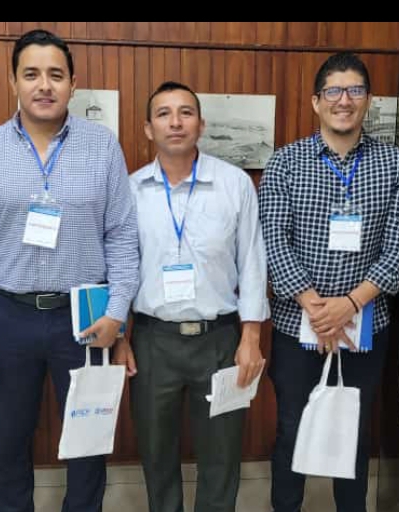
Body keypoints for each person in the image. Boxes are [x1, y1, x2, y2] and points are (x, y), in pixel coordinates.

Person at [0, 29, 139, 512]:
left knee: (88, 439)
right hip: (7, 317)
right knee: (10, 441)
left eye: (55, 75)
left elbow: (122, 235)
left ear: (73, 84)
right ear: (12, 81)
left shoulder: (102, 146)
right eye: (31, 74)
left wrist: (118, 313)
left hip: (86, 316)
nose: (44, 85)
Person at [259, 52, 399, 512]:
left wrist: (347, 305)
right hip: (297, 326)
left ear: (368, 100)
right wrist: (317, 308)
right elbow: (274, 241)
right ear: (316, 101)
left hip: (365, 326)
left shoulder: (396, 165)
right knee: (292, 429)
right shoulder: (285, 163)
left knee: (354, 431)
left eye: (354, 90)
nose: (344, 100)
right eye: (333, 90)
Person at [118, 80, 269, 512]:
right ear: (148, 128)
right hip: (152, 341)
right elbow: (120, 267)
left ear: (201, 124)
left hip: (220, 340)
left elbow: (252, 263)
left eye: (185, 112)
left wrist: (251, 337)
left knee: (222, 455)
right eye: (163, 113)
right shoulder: (130, 190)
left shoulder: (234, 184)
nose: (175, 122)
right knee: (156, 454)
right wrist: (121, 336)